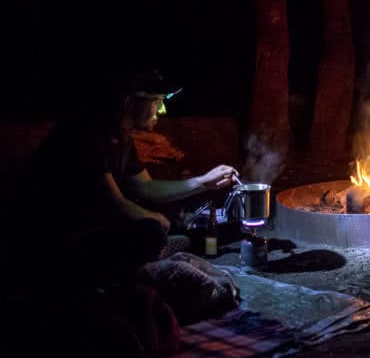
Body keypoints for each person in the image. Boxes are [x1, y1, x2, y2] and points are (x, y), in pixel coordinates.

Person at [9, 67, 239, 282]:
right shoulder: (86, 135)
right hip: (59, 241)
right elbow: (116, 205)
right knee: (151, 230)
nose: (162, 110)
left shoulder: (121, 138)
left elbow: (146, 187)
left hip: (95, 228)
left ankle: (154, 251)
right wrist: (155, 221)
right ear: (129, 101)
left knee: (168, 219)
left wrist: (203, 182)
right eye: (157, 101)